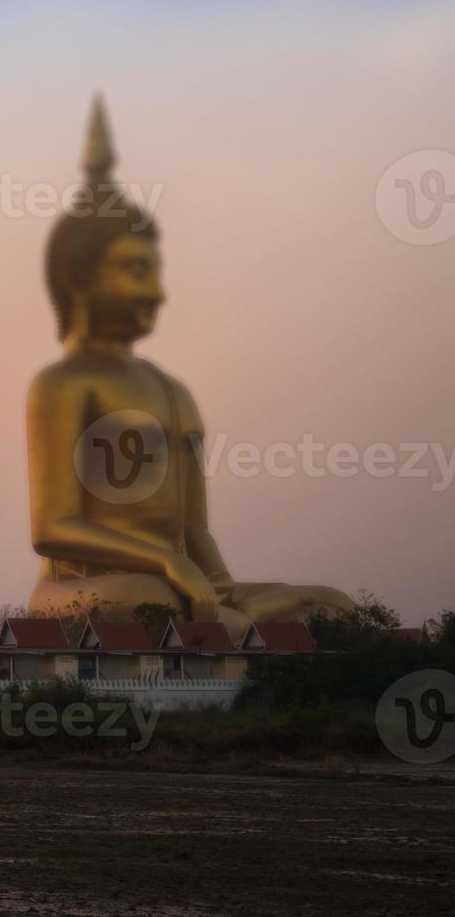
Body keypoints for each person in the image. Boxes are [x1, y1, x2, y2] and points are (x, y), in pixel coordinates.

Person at [25, 96, 354, 638]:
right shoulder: (62, 385)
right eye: (134, 270)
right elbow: (52, 528)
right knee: (157, 599)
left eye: (154, 273)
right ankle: (239, 627)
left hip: (179, 580)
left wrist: (215, 577)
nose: (154, 292)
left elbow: (193, 526)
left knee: (333, 604)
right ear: (79, 279)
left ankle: (239, 620)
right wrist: (165, 564)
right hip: (89, 588)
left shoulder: (172, 390)